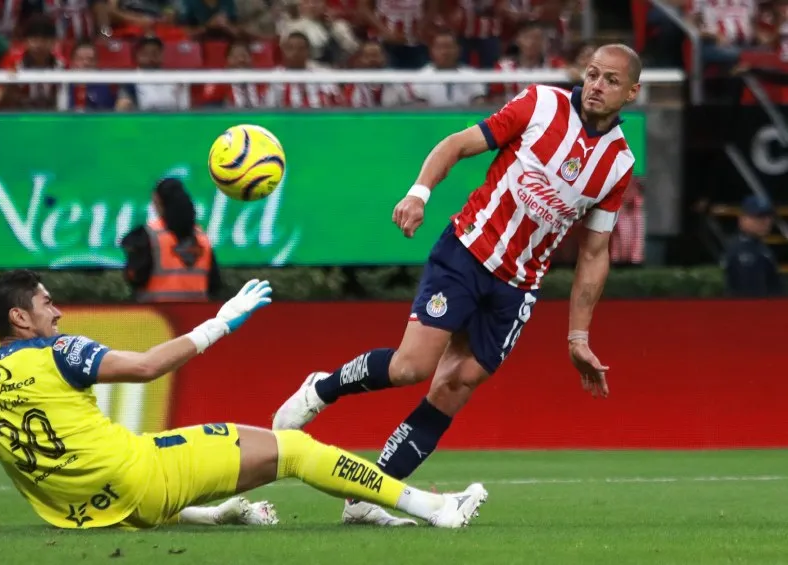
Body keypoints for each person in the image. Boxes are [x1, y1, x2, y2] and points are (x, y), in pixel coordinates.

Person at [273, 44, 641, 526]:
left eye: (611, 80)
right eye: (592, 74)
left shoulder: (618, 163)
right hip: (467, 253)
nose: (596, 86)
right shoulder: (541, 104)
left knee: (456, 384)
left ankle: (367, 496)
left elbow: (594, 253)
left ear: (631, 93)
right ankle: (321, 388)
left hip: (517, 288)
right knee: (411, 367)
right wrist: (418, 194)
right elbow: (456, 145)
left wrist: (578, 336)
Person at [0, 270, 488, 532]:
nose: (58, 311)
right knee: (295, 448)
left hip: (88, 513)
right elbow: (145, 367)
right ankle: (435, 508)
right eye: (47, 303)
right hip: (143, 479)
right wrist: (220, 322)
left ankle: (217, 514)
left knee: (150, 458)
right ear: (20, 319)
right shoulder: (56, 351)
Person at [121, 177, 221, 302]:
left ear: (158, 202)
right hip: (196, 312)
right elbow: (214, 283)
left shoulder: (149, 235)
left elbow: (136, 277)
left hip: (157, 312)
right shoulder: (202, 237)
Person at [722, 194, 784, 297]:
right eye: (759, 217)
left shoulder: (760, 247)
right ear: (743, 219)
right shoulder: (742, 250)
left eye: (769, 216)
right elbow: (750, 296)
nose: (766, 221)